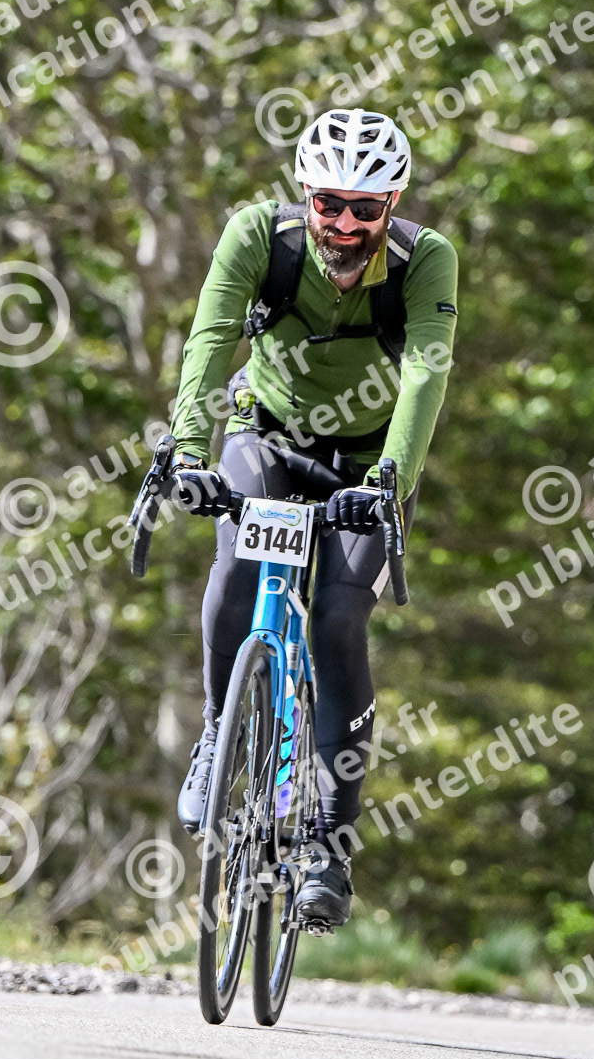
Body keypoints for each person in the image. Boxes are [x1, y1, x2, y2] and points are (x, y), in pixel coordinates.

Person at [168, 107, 457, 927]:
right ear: (306, 194)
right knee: (236, 569)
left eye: (365, 209)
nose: (345, 225)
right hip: (267, 437)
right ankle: (219, 732)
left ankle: (329, 843)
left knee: (336, 617)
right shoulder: (260, 238)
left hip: (367, 464)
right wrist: (187, 454)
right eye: (330, 204)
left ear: (391, 204)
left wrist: (390, 480)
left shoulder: (426, 259)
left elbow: (425, 376)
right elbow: (210, 340)